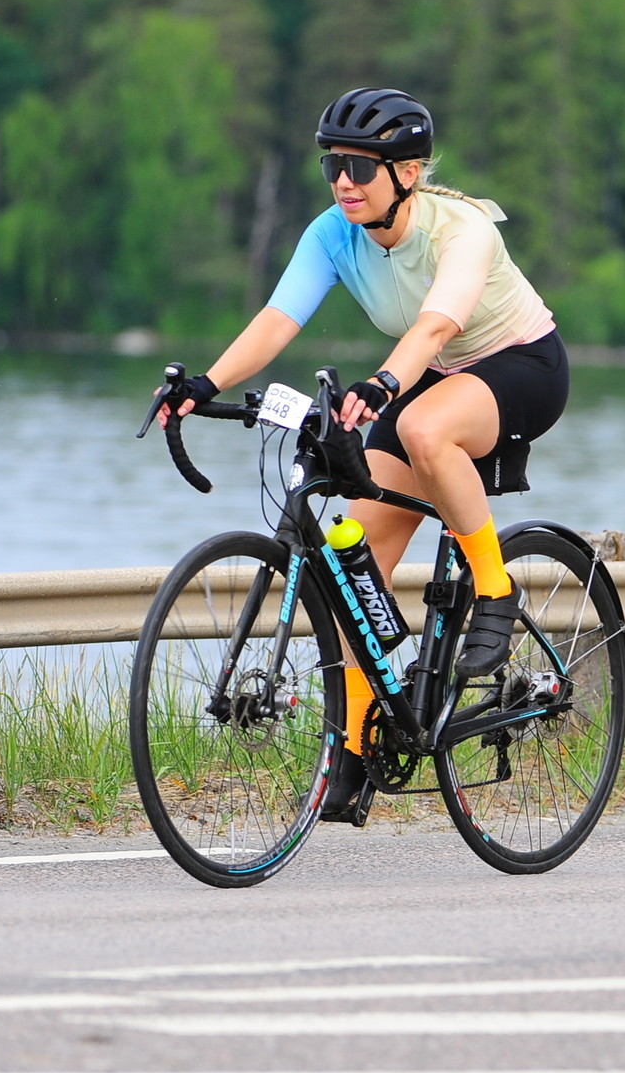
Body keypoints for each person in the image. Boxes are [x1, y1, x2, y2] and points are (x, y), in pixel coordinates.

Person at [162, 86, 569, 817]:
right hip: (431, 375)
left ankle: (494, 588)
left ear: (407, 173)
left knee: (422, 429)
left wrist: (383, 385)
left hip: (521, 366)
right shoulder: (332, 233)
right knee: (356, 576)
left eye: (359, 167)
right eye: (332, 167)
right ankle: (351, 750)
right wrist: (204, 384)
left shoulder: (462, 229)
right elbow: (278, 319)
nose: (343, 182)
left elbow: (435, 328)